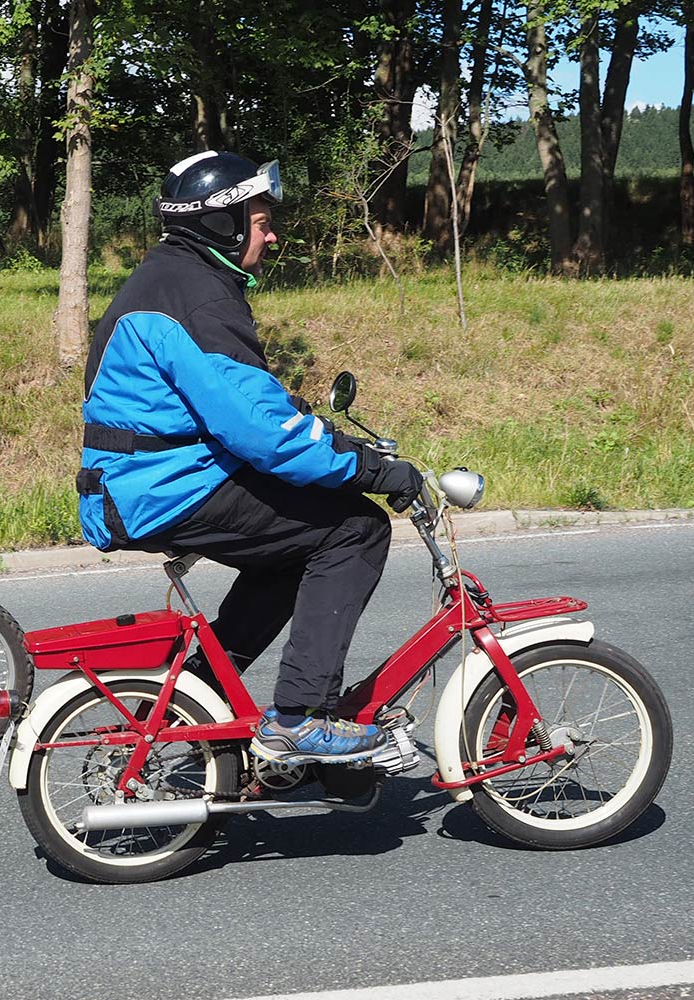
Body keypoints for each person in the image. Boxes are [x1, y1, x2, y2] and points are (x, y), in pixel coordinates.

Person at [75, 151, 424, 764]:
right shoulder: (198, 297)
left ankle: (201, 695)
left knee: (292, 549)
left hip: (146, 482)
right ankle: (299, 717)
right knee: (354, 527)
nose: (271, 235)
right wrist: (373, 470)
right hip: (164, 488)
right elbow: (264, 433)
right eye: (261, 222)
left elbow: (246, 403)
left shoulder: (170, 278)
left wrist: (325, 441)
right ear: (224, 224)